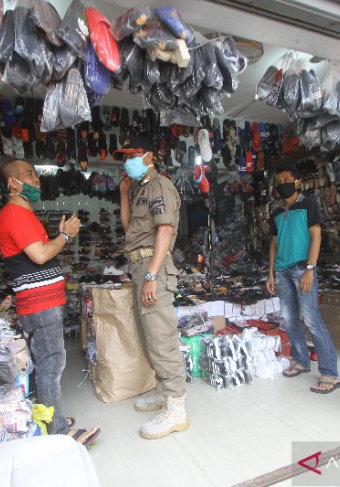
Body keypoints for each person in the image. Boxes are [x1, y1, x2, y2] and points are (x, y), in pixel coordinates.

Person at [0, 159, 99, 446]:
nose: (37, 180)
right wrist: (66, 236)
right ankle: (57, 433)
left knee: (48, 362)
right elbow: (40, 255)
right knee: (51, 364)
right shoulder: (14, 214)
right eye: (29, 175)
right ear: (12, 184)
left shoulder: (23, 215)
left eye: (36, 175)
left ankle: (50, 419)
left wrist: (61, 236)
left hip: (42, 303)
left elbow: (42, 253)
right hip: (40, 305)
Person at [116, 136, 188, 440]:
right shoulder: (142, 189)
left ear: (148, 157)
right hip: (140, 265)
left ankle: (176, 409)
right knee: (150, 338)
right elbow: (129, 229)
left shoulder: (160, 186)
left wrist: (151, 275)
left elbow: (166, 230)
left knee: (162, 339)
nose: (127, 160)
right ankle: (162, 391)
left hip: (152, 267)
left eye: (133, 155)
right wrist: (123, 193)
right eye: (125, 156)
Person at [266, 165, 340, 394]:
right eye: (279, 180)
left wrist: (310, 268)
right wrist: (270, 272)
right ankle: (301, 361)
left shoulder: (308, 204)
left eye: (287, 179)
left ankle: (330, 372)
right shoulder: (277, 212)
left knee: (312, 320)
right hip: (282, 270)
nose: (283, 183)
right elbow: (273, 244)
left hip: (301, 269)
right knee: (290, 320)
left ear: (298, 182)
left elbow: (316, 235)